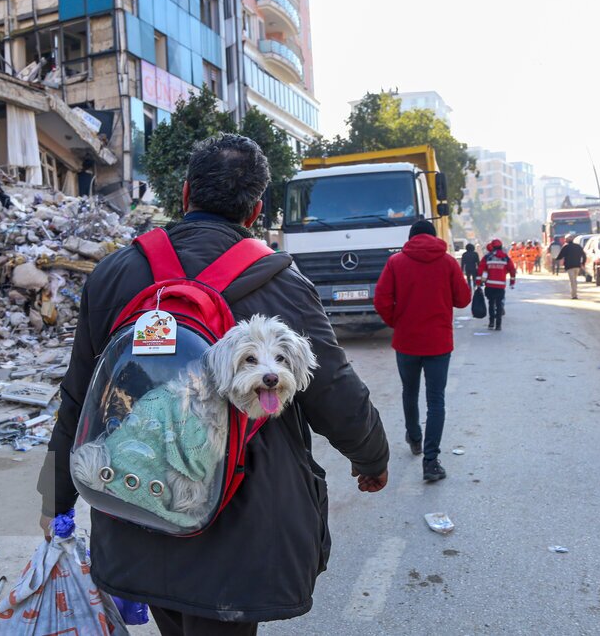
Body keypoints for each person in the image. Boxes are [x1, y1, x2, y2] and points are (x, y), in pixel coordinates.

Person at [37, 134, 390, 636]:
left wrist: (55, 502)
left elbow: (78, 399)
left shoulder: (115, 274)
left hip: (139, 509)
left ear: (185, 196)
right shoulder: (285, 283)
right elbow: (334, 389)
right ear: (256, 210)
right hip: (241, 531)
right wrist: (371, 458)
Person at [374, 220, 471, 482]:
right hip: (439, 344)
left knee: (410, 391)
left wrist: (398, 322)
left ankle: (414, 437)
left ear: (411, 238)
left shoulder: (396, 263)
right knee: (436, 400)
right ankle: (431, 461)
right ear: (433, 236)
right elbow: (463, 299)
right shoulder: (448, 262)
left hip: (407, 342)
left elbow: (381, 300)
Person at [476, 239, 516, 330]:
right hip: (500, 286)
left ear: (492, 247)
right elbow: (512, 270)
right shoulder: (505, 257)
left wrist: (478, 283)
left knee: (491, 304)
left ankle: (491, 323)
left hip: (489, 286)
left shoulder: (487, 257)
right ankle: (498, 325)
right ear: (501, 246)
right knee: (499, 305)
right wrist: (512, 282)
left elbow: (480, 270)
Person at [555, 234, 586, 299]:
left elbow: (560, 256)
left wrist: (555, 260)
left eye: (565, 239)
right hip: (577, 266)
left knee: (572, 281)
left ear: (567, 240)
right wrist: (582, 263)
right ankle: (574, 293)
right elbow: (584, 255)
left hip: (570, 267)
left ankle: (574, 295)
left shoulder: (565, 247)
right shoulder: (578, 246)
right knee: (574, 280)